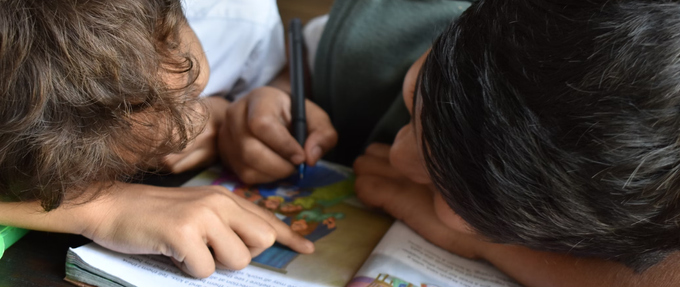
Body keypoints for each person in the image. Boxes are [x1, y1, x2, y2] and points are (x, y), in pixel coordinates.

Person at [228, 0, 680, 285]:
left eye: (451, 194)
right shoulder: (384, 29)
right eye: (413, 96)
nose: (400, 155)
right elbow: (299, 58)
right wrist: (277, 94)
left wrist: (485, 245)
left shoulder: (651, 198)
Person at [0, 0, 315, 279]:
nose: (182, 134)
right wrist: (101, 208)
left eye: (191, 95)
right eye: (102, 163)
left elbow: (286, 72)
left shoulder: (242, 16)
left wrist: (251, 104)